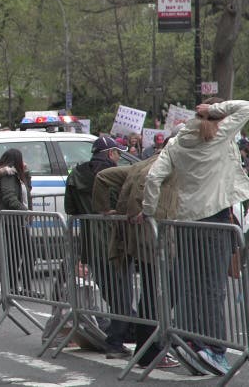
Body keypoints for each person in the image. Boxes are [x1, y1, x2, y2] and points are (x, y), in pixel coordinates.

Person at [140, 99, 249, 376]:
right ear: (215, 120)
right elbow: (246, 106)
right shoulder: (221, 135)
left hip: (186, 219)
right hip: (215, 217)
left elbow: (153, 179)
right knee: (213, 287)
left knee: (191, 284)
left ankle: (190, 338)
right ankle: (213, 348)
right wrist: (215, 109)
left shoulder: (176, 144)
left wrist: (148, 212)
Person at [92, 154, 181, 369]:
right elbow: (151, 182)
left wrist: (104, 209)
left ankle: (147, 348)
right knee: (160, 292)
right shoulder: (169, 165)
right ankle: (150, 350)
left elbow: (102, 177)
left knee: (152, 292)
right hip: (155, 236)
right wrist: (147, 211)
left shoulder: (142, 164)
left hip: (139, 235)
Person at [64, 136, 134, 358]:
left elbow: (70, 208)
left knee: (112, 294)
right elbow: (121, 205)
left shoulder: (75, 174)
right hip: (115, 241)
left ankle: (124, 334)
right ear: (110, 153)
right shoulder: (114, 176)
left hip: (91, 243)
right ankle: (117, 341)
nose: (119, 157)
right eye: (118, 153)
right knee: (122, 294)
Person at [0, 149, 39, 297]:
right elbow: (9, 197)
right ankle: (16, 289)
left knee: (20, 255)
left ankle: (19, 288)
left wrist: (26, 173)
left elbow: (26, 190)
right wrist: (25, 211)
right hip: (11, 221)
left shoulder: (15, 175)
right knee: (20, 255)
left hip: (15, 220)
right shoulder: (8, 175)